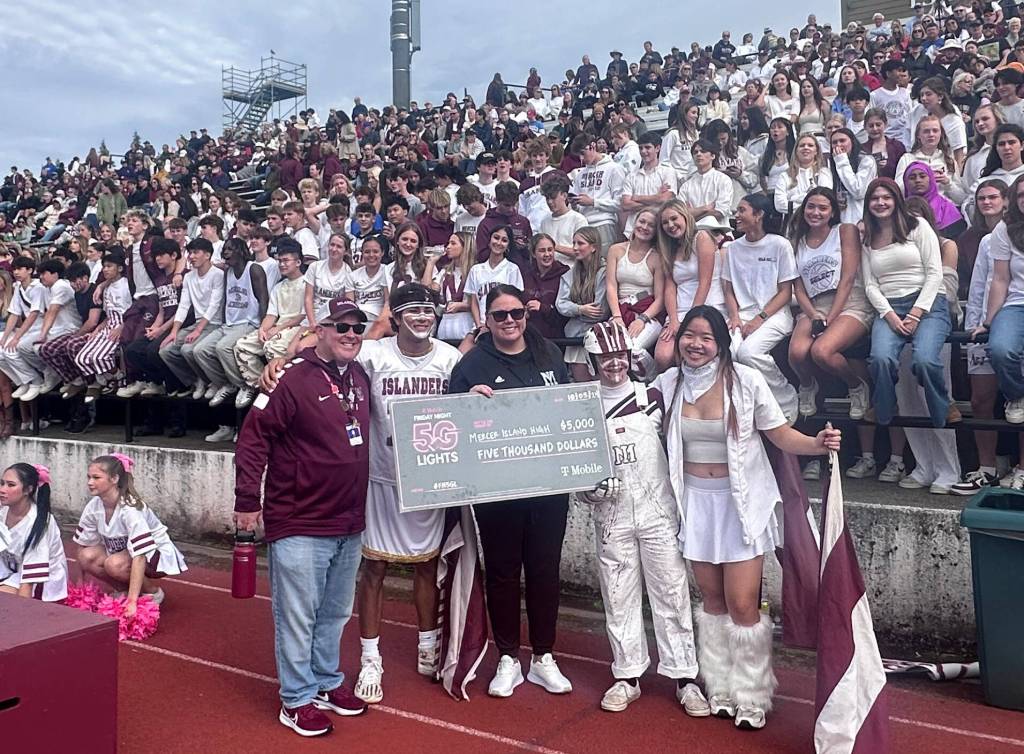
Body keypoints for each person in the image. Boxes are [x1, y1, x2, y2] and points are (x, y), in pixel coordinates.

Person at [655, 305, 841, 730]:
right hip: (694, 506)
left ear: (721, 344)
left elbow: (781, 434)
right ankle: (719, 686)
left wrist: (817, 444)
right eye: (689, 335)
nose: (696, 344)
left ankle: (753, 694)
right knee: (712, 604)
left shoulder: (746, 381)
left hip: (741, 506)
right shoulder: (667, 384)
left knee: (742, 605)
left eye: (706, 337)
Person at [234, 298, 371, 736]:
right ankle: (295, 698)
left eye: (358, 328)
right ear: (321, 330)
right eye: (342, 327)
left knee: (335, 613)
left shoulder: (360, 375)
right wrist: (247, 500)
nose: (351, 335)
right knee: (298, 616)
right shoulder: (289, 378)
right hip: (300, 519)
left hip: (349, 520)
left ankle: (326, 681)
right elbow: (252, 440)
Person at [447, 284, 573, 699]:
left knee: (544, 570)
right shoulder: (472, 363)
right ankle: (507, 656)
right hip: (497, 488)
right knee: (502, 572)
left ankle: (543, 655)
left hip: (549, 485)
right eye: (499, 315)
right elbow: (450, 420)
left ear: (526, 314)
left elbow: (571, 409)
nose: (509, 321)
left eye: (516, 313)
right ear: (486, 319)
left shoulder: (549, 353)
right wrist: (466, 402)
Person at [578, 321, 705, 716]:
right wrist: (586, 491)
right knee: (618, 596)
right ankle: (627, 674)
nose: (613, 363)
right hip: (610, 516)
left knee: (672, 592)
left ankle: (685, 677)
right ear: (592, 361)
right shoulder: (581, 407)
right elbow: (572, 465)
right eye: (604, 357)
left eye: (619, 355)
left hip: (658, 510)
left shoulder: (654, 394)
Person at [861, 178, 952, 429]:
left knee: (925, 361)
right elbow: (870, 285)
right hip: (889, 306)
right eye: (875, 198)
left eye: (886, 197)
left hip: (928, 303)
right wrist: (889, 315)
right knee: (880, 359)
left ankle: (942, 409)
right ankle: (885, 408)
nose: (881, 203)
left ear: (897, 200)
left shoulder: (917, 225)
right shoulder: (868, 236)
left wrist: (915, 313)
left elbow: (935, 272)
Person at [956, 180, 1019, 493]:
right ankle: (987, 467)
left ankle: (1021, 469)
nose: (986, 202)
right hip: (986, 323)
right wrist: (974, 327)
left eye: (993, 196)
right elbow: (981, 285)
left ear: (1007, 200)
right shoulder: (985, 240)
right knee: (981, 399)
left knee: (1019, 399)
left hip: (1014, 323)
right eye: (981, 198)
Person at [75, 454, 187, 614]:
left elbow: (139, 556)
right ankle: (123, 590)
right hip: (123, 554)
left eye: (96, 477)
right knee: (87, 556)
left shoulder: (130, 509)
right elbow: (83, 544)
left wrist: (132, 602)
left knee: (114, 564)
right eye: (89, 477)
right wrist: (80, 583)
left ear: (114, 479)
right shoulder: (93, 506)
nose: (90, 482)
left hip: (154, 557)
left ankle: (153, 593)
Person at [722, 195, 800, 420]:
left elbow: (785, 292)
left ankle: (786, 399)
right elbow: (728, 289)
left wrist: (759, 319)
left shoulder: (780, 245)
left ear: (758, 215)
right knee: (728, 354)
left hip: (775, 314)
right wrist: (734, 317)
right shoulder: (733, 248)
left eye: (742, 210)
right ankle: (751, 407)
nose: (736, 215)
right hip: (741, 316)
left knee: (748, 353)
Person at [982, 174, 1024, 428]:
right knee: (1000, 349)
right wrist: (988, 321)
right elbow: (1000, 279)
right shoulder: (1004, 229)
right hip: (1016, 303)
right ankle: (1016, 396)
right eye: (1020, 195)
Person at [0, 462, 66, 602]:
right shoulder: (3, 512)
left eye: (11, 485)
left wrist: (26, 611)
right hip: (12, 571)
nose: (2, 489)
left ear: (28, 490)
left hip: (40, 580)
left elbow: (29, 582)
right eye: (2, 483)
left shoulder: (39, 523)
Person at [606, 209, 664, 354]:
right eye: (642, 221)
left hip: (647, 313)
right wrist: (617, 316)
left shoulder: (658, 257)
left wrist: (642, 319)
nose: (644, 227)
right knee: (607, 348)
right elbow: (611, 286)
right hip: (620, 310)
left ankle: (651, 370)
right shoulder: (615, 250)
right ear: (634, 222)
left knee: (632, 349)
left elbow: (660, 298)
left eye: (651, 225)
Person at [557, 227, 610, 381]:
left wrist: (574, 312)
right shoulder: (570, 273)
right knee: (582, 385)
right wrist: (580, 309)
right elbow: (561, 304)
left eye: (580, 243)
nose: (575, 248)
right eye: (574, 243)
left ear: (593, 247)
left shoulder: (604, 272)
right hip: (574, 337)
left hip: (597, 336)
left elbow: (599, 312)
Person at [570, 135, 626, 254]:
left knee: (605, 261)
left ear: (593, 146)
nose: (581, 158)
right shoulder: (580, 175)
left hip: (605, 223)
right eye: (578, 155)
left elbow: (620, 204)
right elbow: (579, 206)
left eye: (583, 153)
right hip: (584, 226)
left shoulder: (614, 169)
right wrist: (575, 204)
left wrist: (593, 202)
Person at [466, 225, 524, 329]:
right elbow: (473, 302)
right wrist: (479, 325)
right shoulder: (475, 270)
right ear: (489, 240)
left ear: (508, 245)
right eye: (496, 238)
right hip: (480, 326)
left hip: (503, 325)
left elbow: (516, 301)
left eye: (504, 240)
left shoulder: (512, 269)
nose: (499, 243)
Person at [520, 233, 570, 340]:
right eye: (542, 250)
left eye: (550, 250)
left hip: (556, 339)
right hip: (529, 337)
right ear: (533, 253)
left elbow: (566, 314)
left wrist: (543, 308)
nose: (547, 254)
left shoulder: (565, 274)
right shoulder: (525, 274)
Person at [773, 135, 833, 216]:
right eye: (802, 145)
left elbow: (824, 199)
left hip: (817, 218)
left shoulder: (824, 172)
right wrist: (809, 203)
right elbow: (779, 205)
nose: (806, 147)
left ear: (816, 151)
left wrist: (793, 198)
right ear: (796, 151)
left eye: (810, 145)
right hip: (792, 220)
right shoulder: (785, 175)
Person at [829, 127, 877, 223]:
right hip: (842, 219)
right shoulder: (832, 163)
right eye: (834, 142)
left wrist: (842, 161)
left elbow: (858, 191)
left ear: (852, 142)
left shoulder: (866, 161)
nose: (838, 145)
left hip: (862, 218)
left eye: (842, 141)